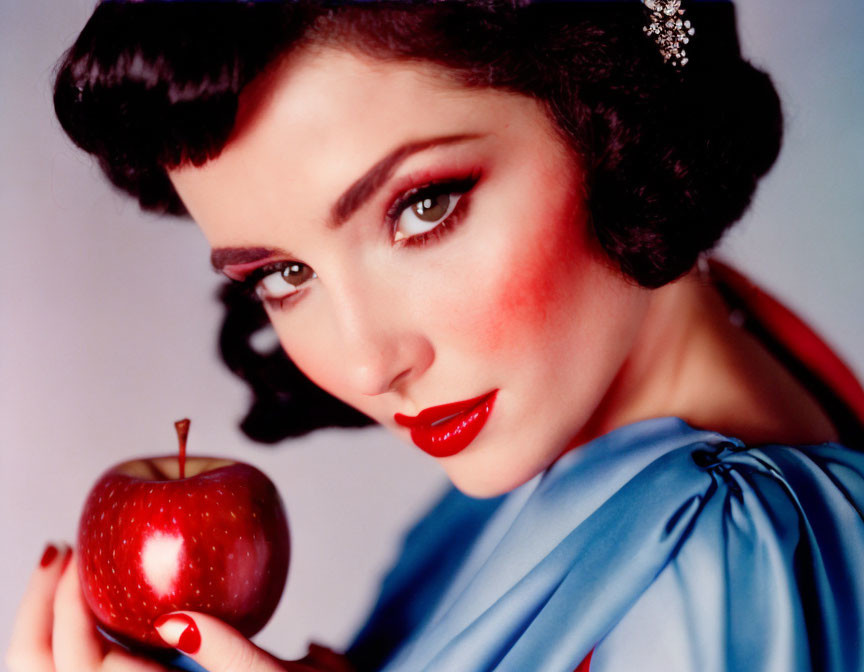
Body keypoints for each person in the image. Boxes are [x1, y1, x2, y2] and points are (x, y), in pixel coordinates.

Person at [8, 1, 864, 671]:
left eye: (424, 207)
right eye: (281, 274)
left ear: (612, 115)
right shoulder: (682, 376)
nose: (368, 362)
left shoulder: (711, 550)